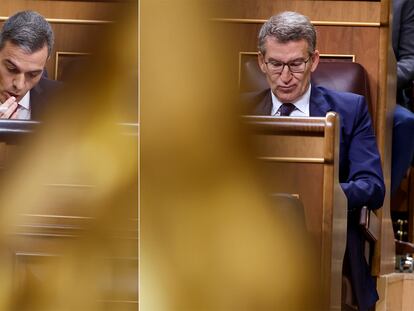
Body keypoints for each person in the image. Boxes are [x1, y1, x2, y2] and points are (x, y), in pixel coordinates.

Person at [244, 11, 385, 311]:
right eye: (276, 64)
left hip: (321, 238)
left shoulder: (349, 109)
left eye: (296, 64)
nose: (285, 76)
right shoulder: (237, 112)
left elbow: (372, 185)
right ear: (261, 62)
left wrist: (323, 194)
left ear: (314, 61)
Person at [0, 10, 60, 120]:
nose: (19, 85)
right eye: (11, 69)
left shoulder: (67, 100)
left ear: (45, 63)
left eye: (32, 74)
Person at [390, 0, 414, 195]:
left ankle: (379, 209)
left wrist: (381, 77)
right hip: (312, 89)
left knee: (405, 122)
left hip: (384, 95)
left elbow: (410, 59)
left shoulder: (402, 2)